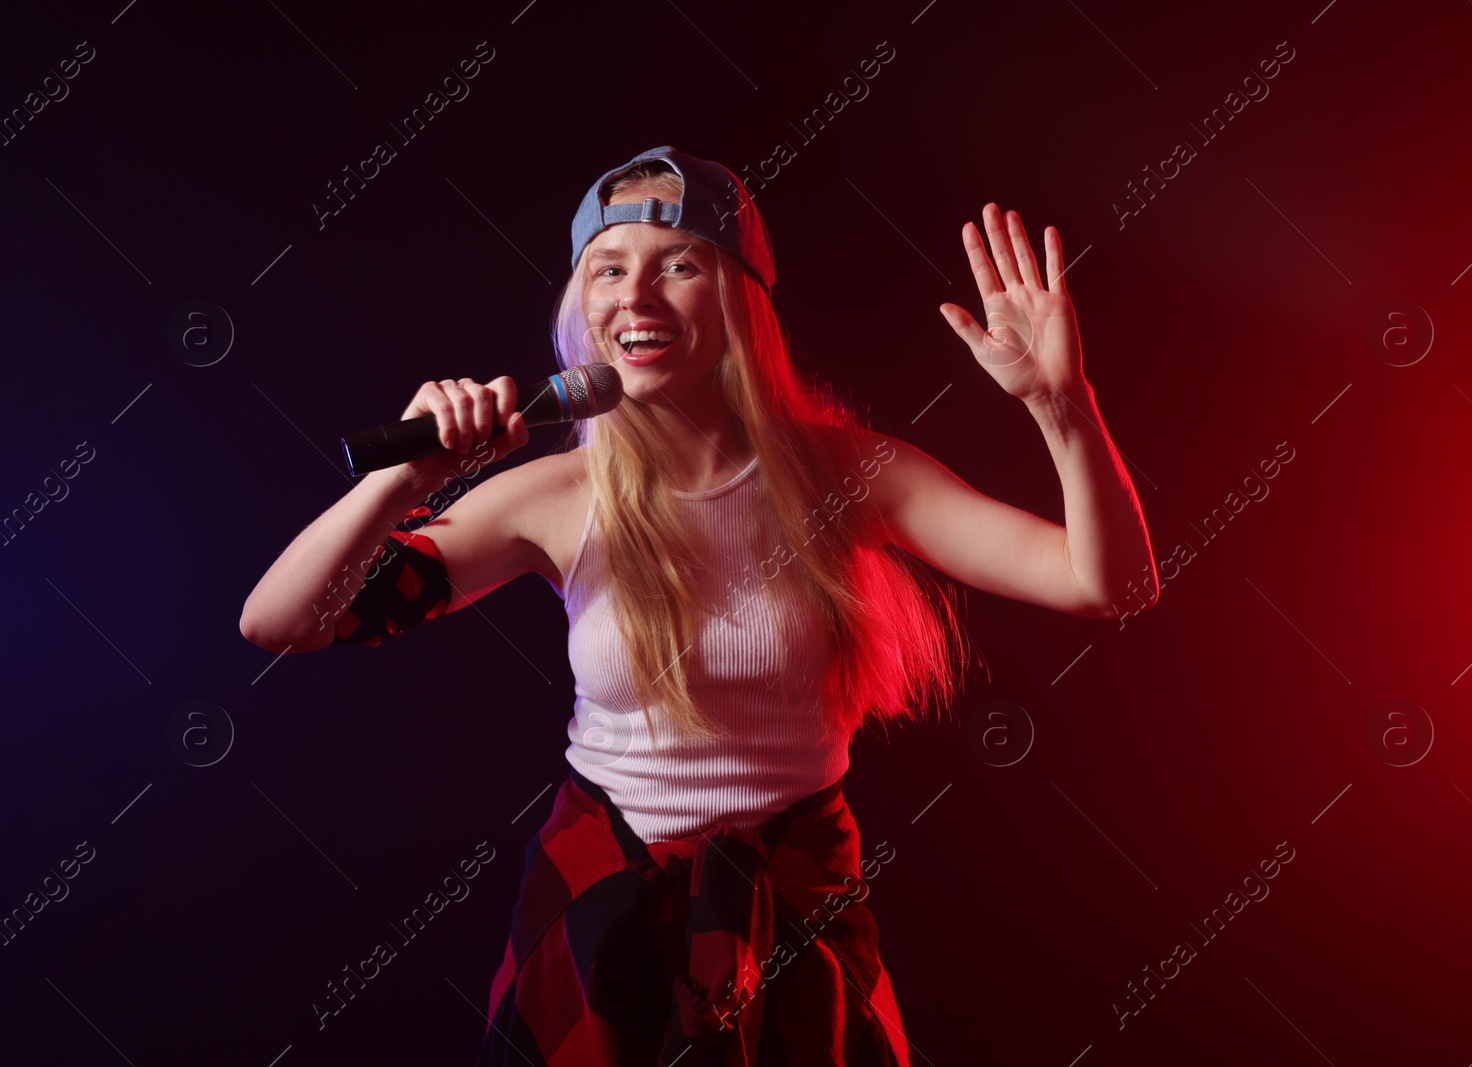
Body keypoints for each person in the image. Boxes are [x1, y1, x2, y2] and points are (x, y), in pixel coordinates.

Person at [240, 145, 1156, 1065]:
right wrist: (402, 481)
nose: (635, 295)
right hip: (599, 903)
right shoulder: (555, 497)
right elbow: (282, 622)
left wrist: (1061, 405)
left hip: (798, 901)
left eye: (678, 263)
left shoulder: (854, 476)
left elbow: (1108, 585)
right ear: (582, 306)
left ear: (739, 299)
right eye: (608, 268)